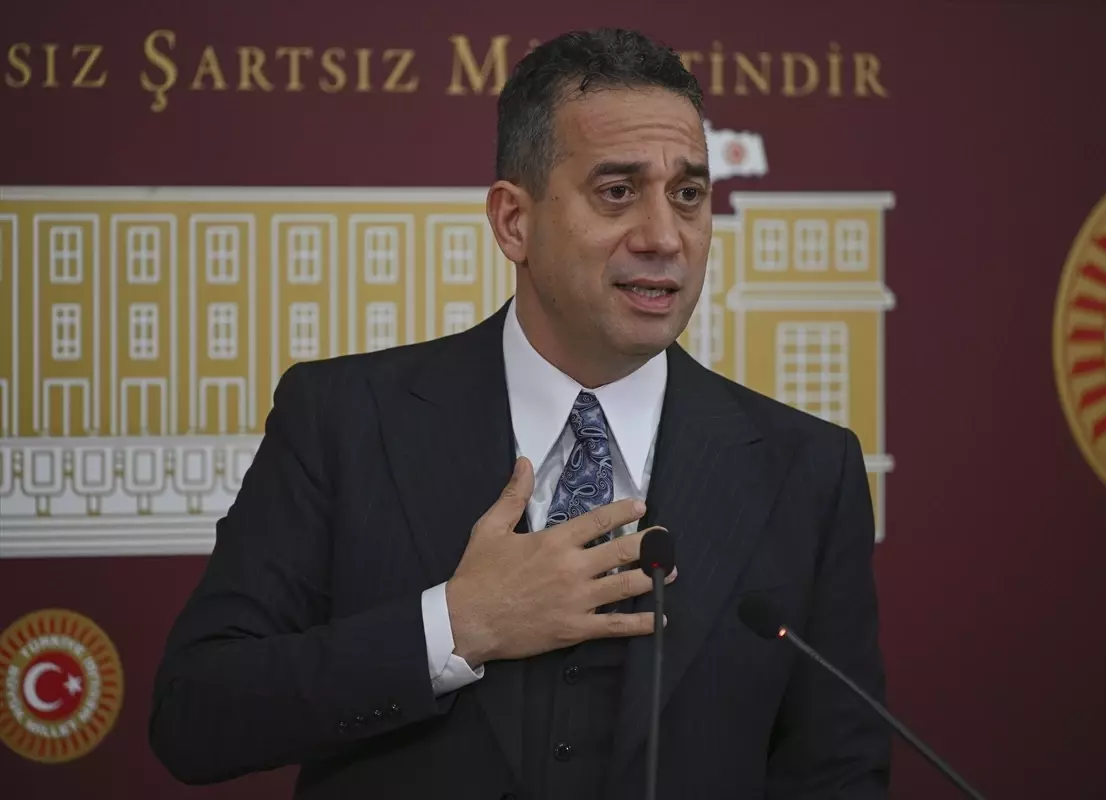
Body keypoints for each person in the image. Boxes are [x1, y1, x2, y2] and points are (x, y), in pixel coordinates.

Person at [148, 27, 890, 799]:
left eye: (689, 195)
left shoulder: (807, 469)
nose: (665, 237)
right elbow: (195, 713)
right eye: (617, 191)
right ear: (513, 222)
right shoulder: (344, 420)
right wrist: (457, 625)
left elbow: (837, 773)